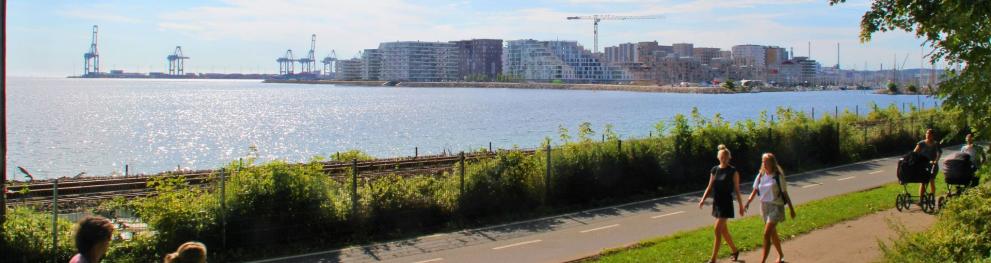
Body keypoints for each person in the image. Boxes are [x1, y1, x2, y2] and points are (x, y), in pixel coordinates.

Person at [745, 153, 797, 263]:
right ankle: (781, 256)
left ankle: (762, 261)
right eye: (763, 161)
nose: (764, 163)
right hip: (764, 207)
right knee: (773, 234)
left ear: (772, 162)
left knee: (766, 233)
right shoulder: (760, 175)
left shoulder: (778, 176)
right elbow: (754, 190)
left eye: (766, 161)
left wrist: (792, 209)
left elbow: (785, 193)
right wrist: (748, 202)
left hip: (776, 207)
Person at [698, 144, 745, 263]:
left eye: (726, 157)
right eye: (721, 156)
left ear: (729, 157)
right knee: (724, 231)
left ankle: (713, 259)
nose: (723, 158)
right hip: (717, 202)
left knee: (717, 229)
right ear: (718, 157)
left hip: (726, 203)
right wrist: (703, 199)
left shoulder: (733, 171)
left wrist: (741, 206)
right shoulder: (714, 169)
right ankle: (735, 250)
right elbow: (709, 186)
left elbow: (737, 190)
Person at [914, 128, 942, 200]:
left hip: (933, 165)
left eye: (929, 134)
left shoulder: (936, 144)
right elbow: (914, 153)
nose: (927, 135)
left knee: (931, 180)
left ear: (932, 135)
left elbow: (939, 153)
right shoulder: (921, 143)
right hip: (923, 165)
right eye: (927, 133)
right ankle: (921, 199)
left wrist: (936, 160)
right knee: (922, 182)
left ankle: (933, 197)